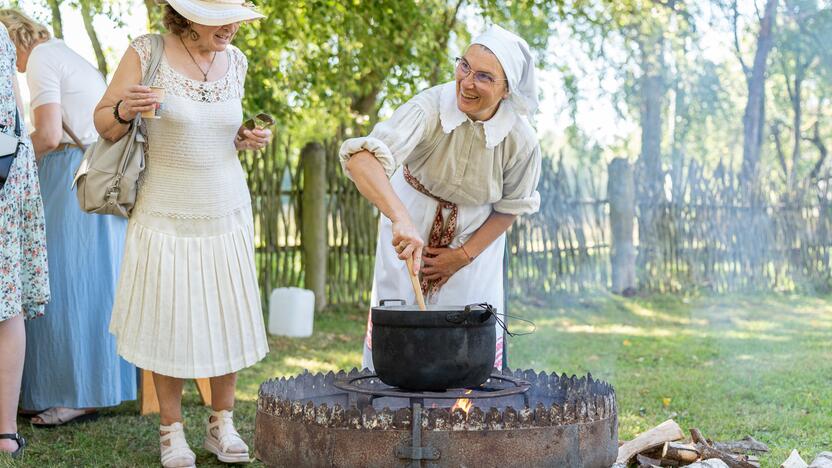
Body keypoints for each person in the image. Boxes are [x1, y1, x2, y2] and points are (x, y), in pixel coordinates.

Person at [97, 0, 270, 465]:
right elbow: (103, 124)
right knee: (166, 318)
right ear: (189, 15)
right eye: (220, 17)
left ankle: (222, 424)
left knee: (226, 313)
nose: (231, 26)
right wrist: (123, 108)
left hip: (226, 207)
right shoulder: (146, 50)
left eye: (235, 16)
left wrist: (244, 139)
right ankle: (171, 431)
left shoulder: (238, 62)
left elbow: (214, 133)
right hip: (164, 210)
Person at [340, 25, 542, 372]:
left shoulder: (521, 141)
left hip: (475, 237)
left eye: (483, 76)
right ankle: (389, 403)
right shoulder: (429, 108)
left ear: (507, 90)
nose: (466, 82)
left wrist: (461, 256)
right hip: (409, 217)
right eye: (464, 66)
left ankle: (463, 411)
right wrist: (400, 218)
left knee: (466, 331)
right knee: (399, 317)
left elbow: (511, 208)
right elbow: (362, 160)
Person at [0, 9, 136, 427]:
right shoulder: (63, 52)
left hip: (69, 174)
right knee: (92, 287)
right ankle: (77, 388)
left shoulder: (40, 59)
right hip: (93, 174)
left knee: (64, 286)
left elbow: (47, 134)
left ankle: (71, 392)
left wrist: (18, 171)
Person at [0, 22, 50, 459]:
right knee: (6, 299)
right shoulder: (0, 36)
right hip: (9, 169)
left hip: (6, 170)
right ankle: (5, 431)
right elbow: (16, 113)